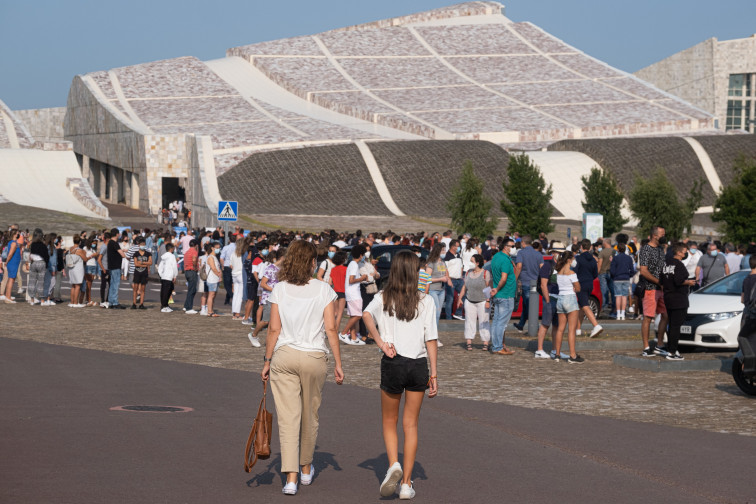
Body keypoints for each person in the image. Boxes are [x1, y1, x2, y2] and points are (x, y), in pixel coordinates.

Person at [261, 240, 344, 496]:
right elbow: (331, 328)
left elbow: (274, 329)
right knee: (310, 414)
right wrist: (339, 363)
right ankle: (306, 468)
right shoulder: (323, 289)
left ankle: (290, 477)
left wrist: (266, 360)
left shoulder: (280, 289)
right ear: (311, 263)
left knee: (288, 418)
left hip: (284, 355)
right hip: (314, 356)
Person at [362, 251, 438, 500]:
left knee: (388, 421)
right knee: (411, 424)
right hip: (418, 364)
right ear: (414, 272)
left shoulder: (383, 297)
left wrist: (381, 343)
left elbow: (366, 316)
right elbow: (431, 339)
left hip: (393, 361)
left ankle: (393, 463)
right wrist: (434, 374)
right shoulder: (426, 300)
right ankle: (406, 482)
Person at [661, 243, 696, 361]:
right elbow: (679, 280)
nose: (686, 253)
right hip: (678, 298)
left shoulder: (666, 263)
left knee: (671, 325)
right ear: (680, 252)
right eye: (685, 251)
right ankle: (671, 352)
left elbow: (662, 280)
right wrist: (689, 282)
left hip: (668, 297)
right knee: (676, 326)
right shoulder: (679, 265)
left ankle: (673, 349)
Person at [639, 227, 669, 357]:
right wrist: (658, 281)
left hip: (661, 288)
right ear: (655, 236)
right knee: (648, 317)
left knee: (665, 315)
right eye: (662, 234)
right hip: (650, 288)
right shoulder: (646, 249)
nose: (664, 236)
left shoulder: (660, 249)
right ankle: (646, 347)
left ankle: (660, 345)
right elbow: (643, 271)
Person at [552, 251, 584, 363]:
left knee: (560, 329)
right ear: (569, 260)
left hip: (560, 299)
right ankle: (573, 355)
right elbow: (578, 288)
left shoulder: (559, 273)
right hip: (570, 298)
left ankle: (557, 354)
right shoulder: (572, 273)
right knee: (571, 329)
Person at [250, 248, 286, 347]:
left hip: (278, 298)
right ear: (283, 258)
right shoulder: (271, 268)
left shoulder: (283, 269)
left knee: (274, 321)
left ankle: (270, 341)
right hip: (269, 298)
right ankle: (253, 334)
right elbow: (263, 283)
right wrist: (274, 290)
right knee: (265, 320)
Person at [458, 254, 491, 351]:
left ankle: (485, 342)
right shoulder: (468, 273)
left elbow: (487, 288)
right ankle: (469, 342)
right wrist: (460, 298)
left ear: (477, 263)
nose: (470, 262)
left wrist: (488, 301)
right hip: (469, 301)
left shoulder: (485, 273)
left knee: (484, 322)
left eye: (471, 261)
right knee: (469, 321)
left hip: (482, 301)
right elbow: (464, 286)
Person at [490, 238, 516, 355]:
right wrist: (497, 288)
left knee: (496, 321)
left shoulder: (496, 257)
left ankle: (497, 345)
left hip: (499, 295)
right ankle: (498, 347)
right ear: (506, 246)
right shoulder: (505, 260)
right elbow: (504, 278)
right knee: (501, 323)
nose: (513, 248)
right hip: (505, 294)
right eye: (512, 246)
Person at [513, 235, 544, 332]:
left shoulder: (521, 253)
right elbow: (542, 268)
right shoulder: (538, 254)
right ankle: (521, 325)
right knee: (528, 305)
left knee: (529, 305)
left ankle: (536, 327)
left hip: (526, 282)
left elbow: (519, 267)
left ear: (522, 243)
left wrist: (514, 279)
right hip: (536, 282)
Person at [574, 239, 603, 338]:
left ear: (581, 247)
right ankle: (578, 329)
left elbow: (574, 272)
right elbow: (595, 274)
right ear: (590, 247)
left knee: (585, 305)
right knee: (581, 306)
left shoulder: (578, 259)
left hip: (580, 284)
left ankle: (596, 325)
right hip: (590, 284)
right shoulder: (593, 259)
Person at [535, 251, 561, 359]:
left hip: (559, 298)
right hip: (550, 298)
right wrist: (547, 300)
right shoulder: (547, 266)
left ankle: (555, 350)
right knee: (545, 324)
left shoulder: (561, 267)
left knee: (557, 325)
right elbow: (543, 284)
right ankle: (539, 349)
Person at [340, 244, 368, 345]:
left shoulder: (352, 264)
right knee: (358, 315)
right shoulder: (354, 265)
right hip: (353, 293)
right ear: (360, 255)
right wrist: (362, 278)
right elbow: (351, 280)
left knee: (353, 315)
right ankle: (343, 333)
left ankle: (353, 337)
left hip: (351, 292)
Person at [738, 255, 756, 375]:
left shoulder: (746, 279)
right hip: (754, 317)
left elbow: (742, 299)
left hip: (747, 315)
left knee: (749, 345)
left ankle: (746, 368)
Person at [425, 243, 449, 328]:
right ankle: (433, 334)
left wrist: (447, 279)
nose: (444, 252)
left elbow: (446, 273)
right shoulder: (431, 263)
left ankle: (435, 333)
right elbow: (427, 278)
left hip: (441, 290)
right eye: (442, 250)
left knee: (438, 312)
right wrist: (440, 279)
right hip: (432, 290)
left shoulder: (443, 262)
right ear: (437, 251)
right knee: (437, 311)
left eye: (445, 250)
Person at [610, 243, 635, 320]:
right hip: (626, 278)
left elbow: (612, 270)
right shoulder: (629, 258)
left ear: (618, 249)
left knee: (618, 296)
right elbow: (632, 270)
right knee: (624, 296)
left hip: (617, 278)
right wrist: (629, 275)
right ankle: (623, 314)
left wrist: (613, 276)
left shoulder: (615, 258)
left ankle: (618, 314)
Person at [27, 229, 49, 305]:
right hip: (41, 263)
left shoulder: (32, 244)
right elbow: (46, 256)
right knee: (41, 282)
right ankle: (42, 300)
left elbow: (30, 254)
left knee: (32, 281)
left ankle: (32, 299)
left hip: (34, 263)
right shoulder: (43, 245)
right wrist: (46, 264)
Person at [443, 240, 464, 320]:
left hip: (459, 280)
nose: (458, 248)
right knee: (450, 299)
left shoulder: (458, 255)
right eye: (457, 246)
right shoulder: (447, 256)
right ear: (453, 246)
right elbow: (446, 269)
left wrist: (461, 276)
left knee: (464, 295)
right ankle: (449, 318)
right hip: (451, 280)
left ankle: (458, 313)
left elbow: (461, 267)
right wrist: (449, 279)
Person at [106, 228, 126, 309]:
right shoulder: (115, 243)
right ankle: (115, 302)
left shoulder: (109, 243)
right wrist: (124, 252)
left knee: (112, 285)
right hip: (116, 266)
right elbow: (123, 255)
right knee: (115, 285)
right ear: (117, 234)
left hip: (111, 266)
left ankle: (111, 302)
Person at [1, 230, 23, 303]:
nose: (18, 234)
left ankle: (8, 296)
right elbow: (10, 254)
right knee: (11, 280)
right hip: (12, 263)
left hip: (14, 263)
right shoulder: (13, 243)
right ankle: (8, 297)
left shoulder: (13, 242)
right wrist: (7, 262)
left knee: (11, 280)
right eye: (17, 233)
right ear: (14, 234)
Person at [66, 235, 87, 308]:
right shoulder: (79, 250)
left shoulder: (71, 248)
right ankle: (75, 303)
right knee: (78, 285)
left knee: (73, 286)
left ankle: (72, 302)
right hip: (78, 269)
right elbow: (85, 259)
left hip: (71, 268)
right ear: (80, 242)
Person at [330, 251, 348, 335]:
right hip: (343, 292)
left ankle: (330, 327)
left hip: (335, 291)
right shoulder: (345, 269)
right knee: (340, 313)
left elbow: (330, 282)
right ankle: (335, 330)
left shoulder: (333, 269)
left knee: (335, 313)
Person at [131, 238, 152, 310]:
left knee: (143, 289)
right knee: (135, 289)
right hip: (137, 272)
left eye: (144, 244)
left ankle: (141, 303)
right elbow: (136, 264)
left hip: (144, 273)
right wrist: (145, 265)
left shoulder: (148, 253)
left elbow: (150, 262)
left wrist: (143, 263)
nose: (143, 246)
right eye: (141, 244)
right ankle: (134, 303)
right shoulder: (136, 254)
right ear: (139, 245)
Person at [596, 238, 615, 316]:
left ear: (605, 243)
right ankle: (614, 307)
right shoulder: (614, 251)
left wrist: (597, 273)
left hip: (603, 273)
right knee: (613, 290)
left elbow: (599, 264)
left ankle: (603, 307)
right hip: (612, 273)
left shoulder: (602, 252)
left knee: (603, 291)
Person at [158, 243, 178, 313]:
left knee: (165, 291)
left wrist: (161, 274)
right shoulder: (172, 256)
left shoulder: (163, 257)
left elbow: (160, 266)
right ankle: (164, 306)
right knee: (167, 292)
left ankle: (165, 305)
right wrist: (175, 275)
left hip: (164, 276)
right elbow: (174, 266)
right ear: (171, 249)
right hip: (169, 276)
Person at [205, 242, 222, 317]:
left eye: (219, 248)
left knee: (213, 295)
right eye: (217, 248)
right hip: (212, 279)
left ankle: (211, 310)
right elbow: (213, 268)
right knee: (211, 295)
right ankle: (209, 311)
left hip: (215, 279)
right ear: (212, 248)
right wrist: (219, 275)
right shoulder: (211, 257)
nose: (218, 249)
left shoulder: (215, 257)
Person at [220, 233, 237, 305]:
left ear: (229, 240)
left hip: (227, 266)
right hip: (235, 267)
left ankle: (232, 296)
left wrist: (222, 266)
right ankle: (227, 299)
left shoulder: (226, 247)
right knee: (231, 283)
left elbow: (221, 258)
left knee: (227, 284)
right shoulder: (237, 248)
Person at [183, 239, 199, 314]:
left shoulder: (187, 252)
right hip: (192, 271)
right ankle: (189, 307)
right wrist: (195, 267)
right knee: (192, 290)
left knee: (190, 289)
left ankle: (186, 305)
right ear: (196, 245)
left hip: (187, 271)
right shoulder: (194, 252)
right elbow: (194, 260)